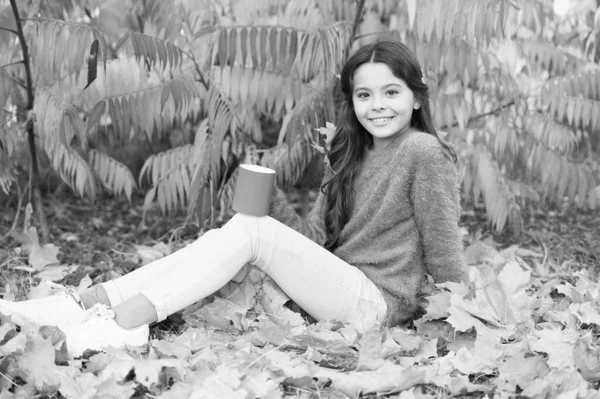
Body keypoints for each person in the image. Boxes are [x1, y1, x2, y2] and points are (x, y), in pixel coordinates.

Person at [0, 40, 465, 357]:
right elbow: (313, 241)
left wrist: (464, 323)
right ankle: (88, 301)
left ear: (417, 100)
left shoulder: (425, 153)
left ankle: (126, 320)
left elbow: (445, 251)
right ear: (353, 103)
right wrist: (270, 196)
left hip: (379, 303)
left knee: (249, 232)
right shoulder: (348, 154)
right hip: (341, 288)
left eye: (391, 92)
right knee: (239, 230)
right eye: (365, 94)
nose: (378, 105)